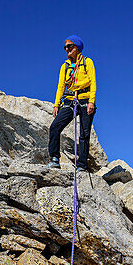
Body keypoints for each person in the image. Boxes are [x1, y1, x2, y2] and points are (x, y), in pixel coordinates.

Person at [48, 35, 96, 170]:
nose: (67, 49)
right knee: (55, 127)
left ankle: (81, 165)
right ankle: (54, 159)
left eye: (70, 46)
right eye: (65, 47)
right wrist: (56, 104)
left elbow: (93, 82)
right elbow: (60, 86)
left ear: (77, 47)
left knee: (84, 133)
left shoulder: (87, 62)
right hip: (69, 100)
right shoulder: (65, 66)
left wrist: (91, 101)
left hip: (85, 99)